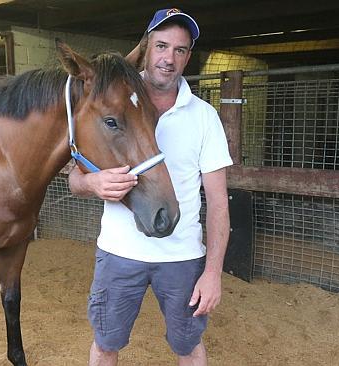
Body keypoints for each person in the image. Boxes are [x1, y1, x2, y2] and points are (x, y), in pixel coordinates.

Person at [68, 8, 233, 366]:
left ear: (188, 57)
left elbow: (219, 203)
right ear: (146, 50)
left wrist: (212, 273)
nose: (168, 58)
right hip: (119, 254)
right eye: (161, 46)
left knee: (188, 346)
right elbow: (74, 179)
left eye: (179, 50)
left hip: (182, 259)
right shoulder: (111, 100)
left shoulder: (204, 116)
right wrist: (93, 182)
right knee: (105, 344)